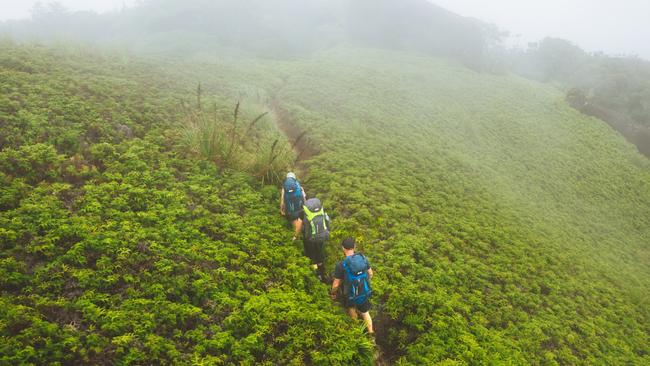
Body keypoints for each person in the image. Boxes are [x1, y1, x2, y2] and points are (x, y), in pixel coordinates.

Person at [331, 237, 374, 335]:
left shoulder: (341, 265)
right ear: (354, 246)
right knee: (365, 312)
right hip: (364, 291)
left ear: (343, 248)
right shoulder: (363, 258)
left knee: (351, 308)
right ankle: (371, 335)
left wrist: (333, 293)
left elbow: (336, 284)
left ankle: (357, 332)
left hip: (350, 294)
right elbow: (370, 273)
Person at [301, 197, 330, 282]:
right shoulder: (321, 210)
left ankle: (317, 274)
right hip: (322, 236)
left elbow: (304, 227)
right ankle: (322, 272)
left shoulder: (305, 213)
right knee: (319, 252)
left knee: (312, 256)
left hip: (310, 239)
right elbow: (327, 221)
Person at [280, 172, 306, 241]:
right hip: (299, 209)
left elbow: (282, 200)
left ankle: (294, 238)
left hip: (289, 210)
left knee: (293, 222)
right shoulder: (298, 185)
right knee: (299, 222)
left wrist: (281, 210)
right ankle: (295, 238)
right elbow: (304, 197)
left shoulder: (284, 187)